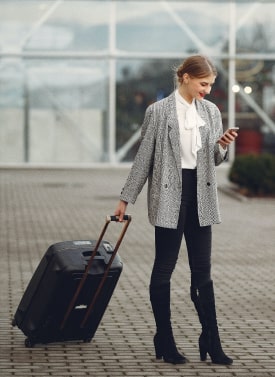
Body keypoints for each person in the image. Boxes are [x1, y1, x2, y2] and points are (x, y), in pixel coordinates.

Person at [114, 55, 237, 365]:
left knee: (203, 272)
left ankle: (211, 339)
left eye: (210, 85)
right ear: (185, 77)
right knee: (164, 267)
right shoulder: (158, 112)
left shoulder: (210, 111)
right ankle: (164, 339)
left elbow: (215, 159)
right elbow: (143, 159)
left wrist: (221, 145)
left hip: (201, 194)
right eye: (203, 83)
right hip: (170, 193)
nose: (207, 90)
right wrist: (125, 199)